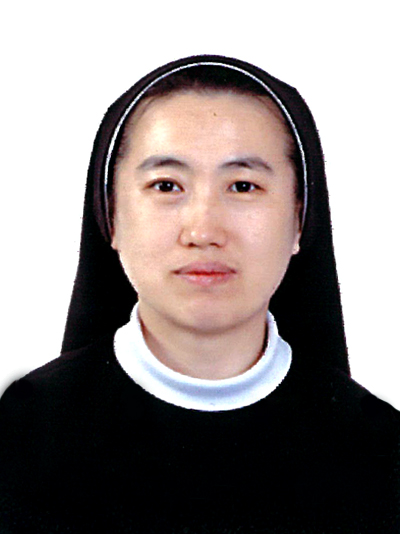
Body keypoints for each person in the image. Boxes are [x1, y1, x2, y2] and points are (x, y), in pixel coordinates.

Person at [0, 55, 399, 533]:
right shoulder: (19, 437)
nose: (204, 231)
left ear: (299, 219)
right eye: (167, 185)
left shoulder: (382, 454)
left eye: (243, 186)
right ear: (111, 216)